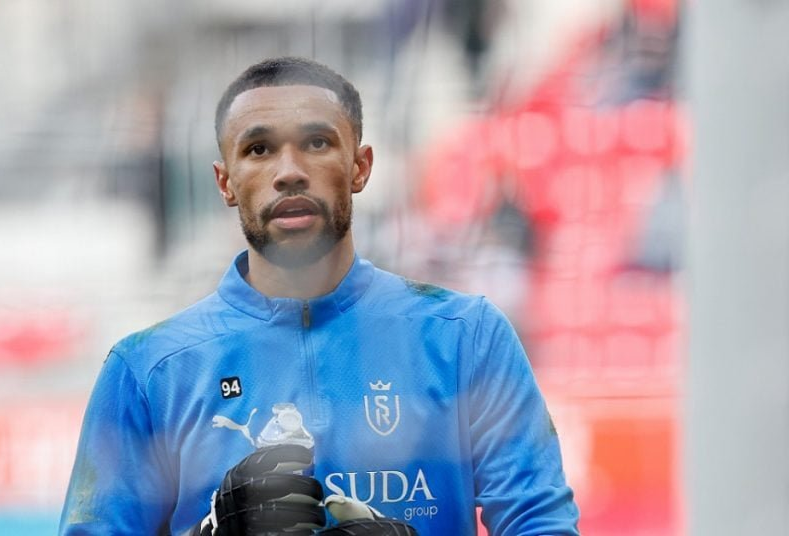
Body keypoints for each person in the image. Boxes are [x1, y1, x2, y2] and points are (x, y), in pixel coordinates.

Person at [60, 57, 579, 535]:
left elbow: (545, 525)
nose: (289, 171)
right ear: (225, 182)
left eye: (316, 143)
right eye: (258, 149)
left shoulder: (466, 339)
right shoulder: (148, 371)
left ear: (360, 167)